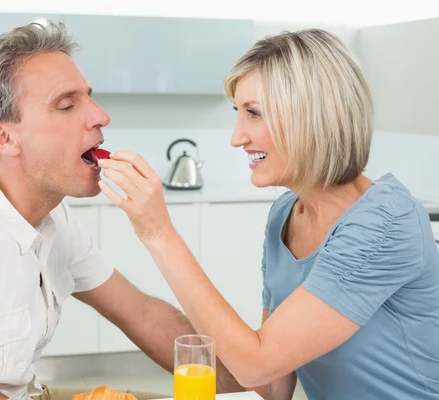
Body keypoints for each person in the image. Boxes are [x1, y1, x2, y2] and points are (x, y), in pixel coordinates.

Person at [0, 22, 242, 399]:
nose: (101, 116)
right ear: (3, 136)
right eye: (67, 105)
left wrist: (252, 383)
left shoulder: (54, 221)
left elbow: (142, 314)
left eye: (88, 96)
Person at [97, 29, 439, 400]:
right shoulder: (284, 215)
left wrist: (159, 234)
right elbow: (273, 383)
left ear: (317, 116)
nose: (237, 137)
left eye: (254, 114)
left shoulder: (384, 222)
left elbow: (257, 363)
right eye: (238, 113)